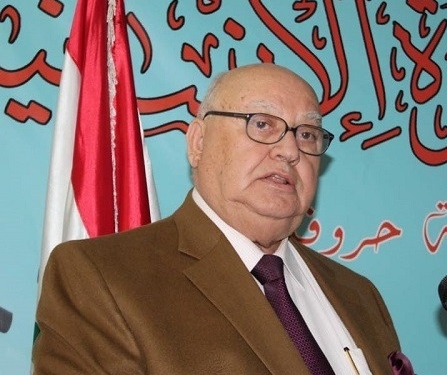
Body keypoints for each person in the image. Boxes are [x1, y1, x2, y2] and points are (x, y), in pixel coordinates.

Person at [33, 63, 409, 374]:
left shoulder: (359, 295)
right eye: (262, 124)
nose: (290, 150)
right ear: (198, 142)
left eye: (307, 135)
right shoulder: (102, 276)